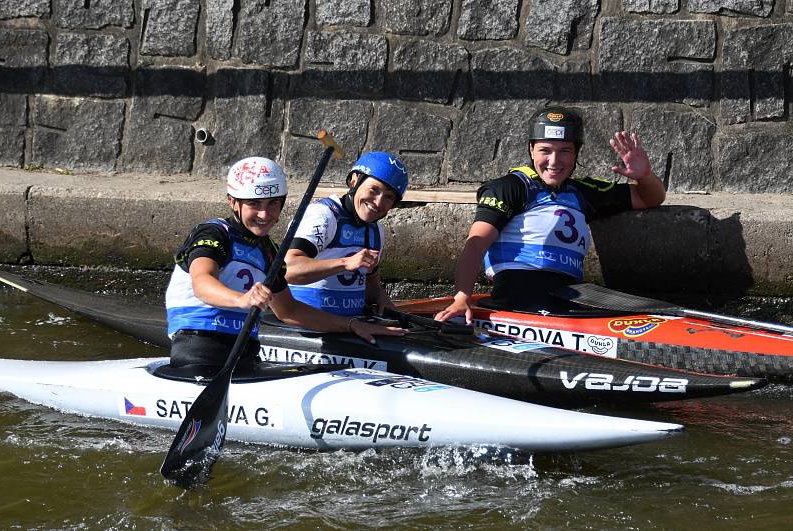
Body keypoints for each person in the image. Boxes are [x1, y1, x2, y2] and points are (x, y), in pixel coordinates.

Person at [165, 156, 405, 369]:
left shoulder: (269, 251)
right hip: (198, 348)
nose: (265, 215)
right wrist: (242, 299)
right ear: (232, 202)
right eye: (254, 204)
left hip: (246, 352)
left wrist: (351, 325)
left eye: (273, 205)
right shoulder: (213, 233)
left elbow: (289, 311)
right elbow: (202, 281)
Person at [435, 106, 666, 323]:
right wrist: (462, 297)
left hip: (571, 298)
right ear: (531, 150)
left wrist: (644, 175)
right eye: (545, 150)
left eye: (564, 151)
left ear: (576, 154)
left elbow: (650, 198)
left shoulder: (584, 192)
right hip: (517, 297)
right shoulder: (509, 188)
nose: (554, 161)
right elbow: (475, 244)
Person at [284, 151, 408, 317]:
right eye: (374, 190)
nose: (378, 202)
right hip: (306, 324)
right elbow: (289, 271)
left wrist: (381, 297)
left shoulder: (376, 230)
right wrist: (345, 263)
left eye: (388, 197)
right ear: (354, 181)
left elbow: (371, 282)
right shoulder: (324, 216)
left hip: (350, 326)